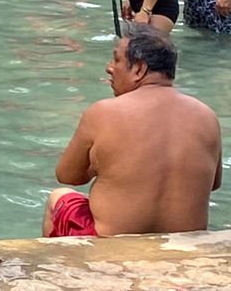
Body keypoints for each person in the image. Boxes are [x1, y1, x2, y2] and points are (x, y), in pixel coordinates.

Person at [44, 30, 220, 237]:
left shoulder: (103, 112)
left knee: (59, 197)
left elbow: (67, 176)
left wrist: (104, 163)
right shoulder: (207, 116)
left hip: (112, 248)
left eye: (116, 60)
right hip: (183, 247)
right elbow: (214, 184)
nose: (109, 67)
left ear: (139, 69)